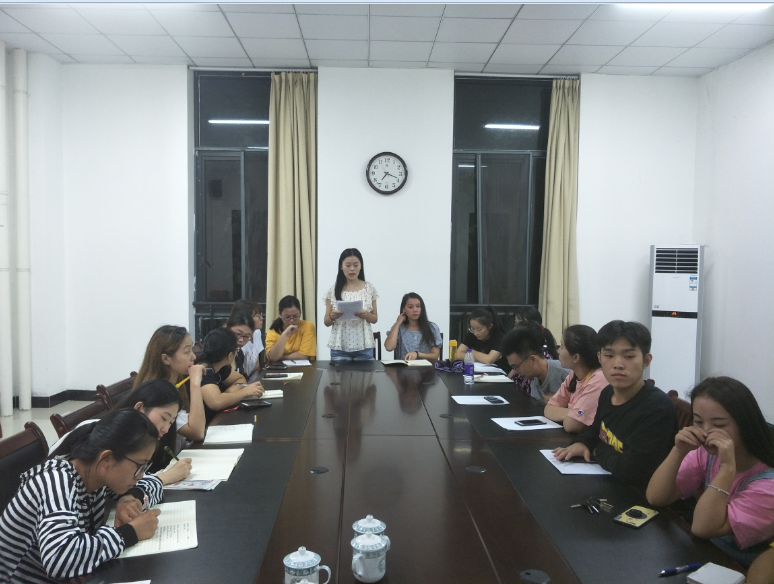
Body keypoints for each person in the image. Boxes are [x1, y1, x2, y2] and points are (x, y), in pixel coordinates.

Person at [0, 409, 163, 583]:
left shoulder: (96, 476)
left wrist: (131, 497)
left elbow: (154, 483)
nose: (140, 476)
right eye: (139, 466)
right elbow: (60, 559)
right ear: (107, 459)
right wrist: (129, 533)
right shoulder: (56, 482)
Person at [646, 377, 774, 566]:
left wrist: (727, 468)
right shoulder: (706, 454)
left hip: (738, 566)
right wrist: (678, 451)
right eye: (698, 421)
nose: (706, 432)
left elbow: (702, 528)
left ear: (745, 424)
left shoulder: (768, 486)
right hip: (705, 553)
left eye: (719, 425)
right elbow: (656, 497)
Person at [552, 320, 678, 486]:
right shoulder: (608, 392)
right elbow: (596, 430)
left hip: (638, 493)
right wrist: (582, 443)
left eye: (629, 356)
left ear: (646, 360)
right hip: (609, 481)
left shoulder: (656, 407)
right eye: (609, 356)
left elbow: (631, 470)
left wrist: (597, 450)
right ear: (599, 357)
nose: (618, 365)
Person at [135, 325, 206, 441]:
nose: (193, 357)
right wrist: (195, 384)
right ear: (166, 359)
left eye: (192, 350)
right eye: (187, 352)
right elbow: (197, 432)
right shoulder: (158, 393)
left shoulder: (176, 381)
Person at [119, 379, 194, 485]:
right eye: (164, 418)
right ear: (140, 408)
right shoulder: (114, 438)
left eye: (171, 422)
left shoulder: (146, 443)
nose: (166, 429)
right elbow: (123, 486)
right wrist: (167, 476)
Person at [544, 325, 607, 433]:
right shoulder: (573, 375)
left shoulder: (599, 379)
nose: (558, 351)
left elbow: (572, 426)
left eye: (562, 346)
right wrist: (573, 413)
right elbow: (549, 409)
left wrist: (571, 416)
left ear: (576, 357)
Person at [196, 327, 265, 423]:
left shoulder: (221, 366)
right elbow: (216, 402)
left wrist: (226, 396)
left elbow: (240, 379)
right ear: (230, 355)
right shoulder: (204, 369)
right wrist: (244, 392)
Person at [323, 248, 378, 361]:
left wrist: (367, 315)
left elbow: (375, 318)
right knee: (338, 373)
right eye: (348, 265)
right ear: (341, 266)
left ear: (361, 266)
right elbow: (326, 322)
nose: (352, 269)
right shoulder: (333, 290)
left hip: (364, 345)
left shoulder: (369, 288)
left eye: (356, 265)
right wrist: (332, 317)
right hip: (339, 346)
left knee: (366, 373)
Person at [500, 322, 570, 405]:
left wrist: (563, 403)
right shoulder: (534, 382)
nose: (516, 371)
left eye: (516, 366)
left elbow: (582, 409)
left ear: (532, 359)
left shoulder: (566, 374)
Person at [508, 307, 559, 392]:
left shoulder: (542, 355)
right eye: (516, 323)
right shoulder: (523, 353)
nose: (515, 328)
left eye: (520, 322)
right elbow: (512, 377)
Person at [384, 292, 442, 362]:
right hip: (403, 367)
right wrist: (397, 323)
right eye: (410, 307)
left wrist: (417, 354)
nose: (415, 310)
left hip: (426, 367)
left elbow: (435, 355)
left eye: (418, 306)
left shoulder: (432, 328)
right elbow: (389, 347)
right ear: (404, 309)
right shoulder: (399, 328)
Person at [455, 306, 510, 372]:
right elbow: (458, 354)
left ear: (490, 326)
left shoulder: (500, 337)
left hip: (500, 373)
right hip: (481, 372)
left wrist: (471, 351)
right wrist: (483, 358)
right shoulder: (472, 334)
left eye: (479, 329)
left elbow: (489, 360)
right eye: (472, 328)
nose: (476, 333)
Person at [266, 295, 317, 363]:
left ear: (300, 313)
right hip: (280, 367)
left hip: (304, 367)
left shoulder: (307, 326)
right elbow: (272, 357)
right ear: (280, 314)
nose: (292, 320)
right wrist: (284, 334)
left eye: (295, 316)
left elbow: (304, 355)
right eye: (287, 317)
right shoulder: (273, 331)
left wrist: (280, 357)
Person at [230, 299, 265, 377]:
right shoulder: (238, 340)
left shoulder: (257, 332)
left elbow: (257, 365)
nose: (261, 318)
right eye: (258, 315)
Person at [226, 310, 256, 378]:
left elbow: (243, 376)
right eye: (238, 334)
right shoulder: (219, 354)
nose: (241, 340)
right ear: (227, 329)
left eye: (247, 336)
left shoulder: (239, 353)